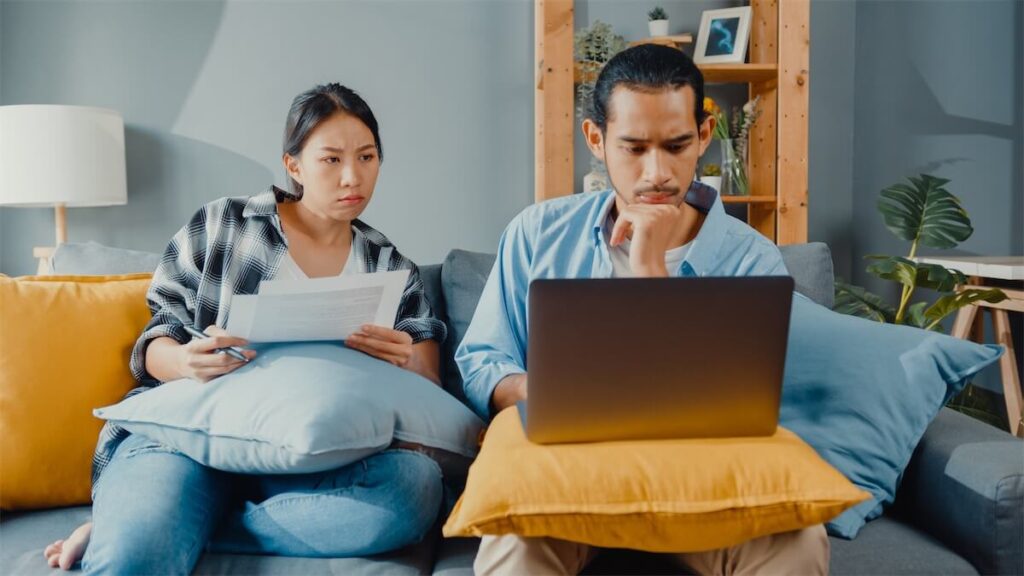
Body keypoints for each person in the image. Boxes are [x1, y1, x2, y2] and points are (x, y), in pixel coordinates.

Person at [44, 83, 448, 574]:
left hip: (314, 460)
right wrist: (183, 361)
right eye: (331, 159)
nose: (352, 176)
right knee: (133, 557)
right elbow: (159, 333)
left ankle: (187, 526)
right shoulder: (223, 224)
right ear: (294, 166)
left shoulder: (389, 266)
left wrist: (402, 360)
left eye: (367, 157)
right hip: (187, 439)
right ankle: (147, 524)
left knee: (415, 490)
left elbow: (430, 381)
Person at [455, 44, 828, 575]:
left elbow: (748, 403)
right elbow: (482, 360)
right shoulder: (537, 234)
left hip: (700, 487)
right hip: (569, 484)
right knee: (515, 542)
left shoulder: (753, 261)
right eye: (633, 148)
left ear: (703, 135)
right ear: (595, 140)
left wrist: (650, 266)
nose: (657, 172)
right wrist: (553, 395)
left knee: (797, 539)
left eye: (676, 145)